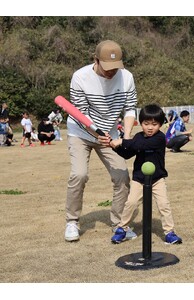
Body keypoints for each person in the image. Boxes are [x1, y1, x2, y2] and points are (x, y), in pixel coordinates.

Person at [64, 40, 137, 242]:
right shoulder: (80, 77)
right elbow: (81, 114)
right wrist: (98, 134)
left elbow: (130, 108)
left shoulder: (127, 77)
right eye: (107, 68)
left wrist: (126, 136)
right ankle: (72, 221)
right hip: (80, 132)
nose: (112, 72)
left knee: (122, 176)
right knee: (79, 174)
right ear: (95, 60)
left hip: (111, 134)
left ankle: (119, 224)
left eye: (116, 68)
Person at [109, 104, 182, 244]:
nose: (149, 127)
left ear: (160, 124)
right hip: (139, 179)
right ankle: (121, 229)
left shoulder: (160, 138)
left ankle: (169, 232)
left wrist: (122, 141)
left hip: (157, 179)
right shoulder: (137, 137)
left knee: (163, 205)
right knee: (130, 203)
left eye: (154, 124)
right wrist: (114, 146)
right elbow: (128, 153)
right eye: (146, 123)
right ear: (140, 123)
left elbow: (141, 146)